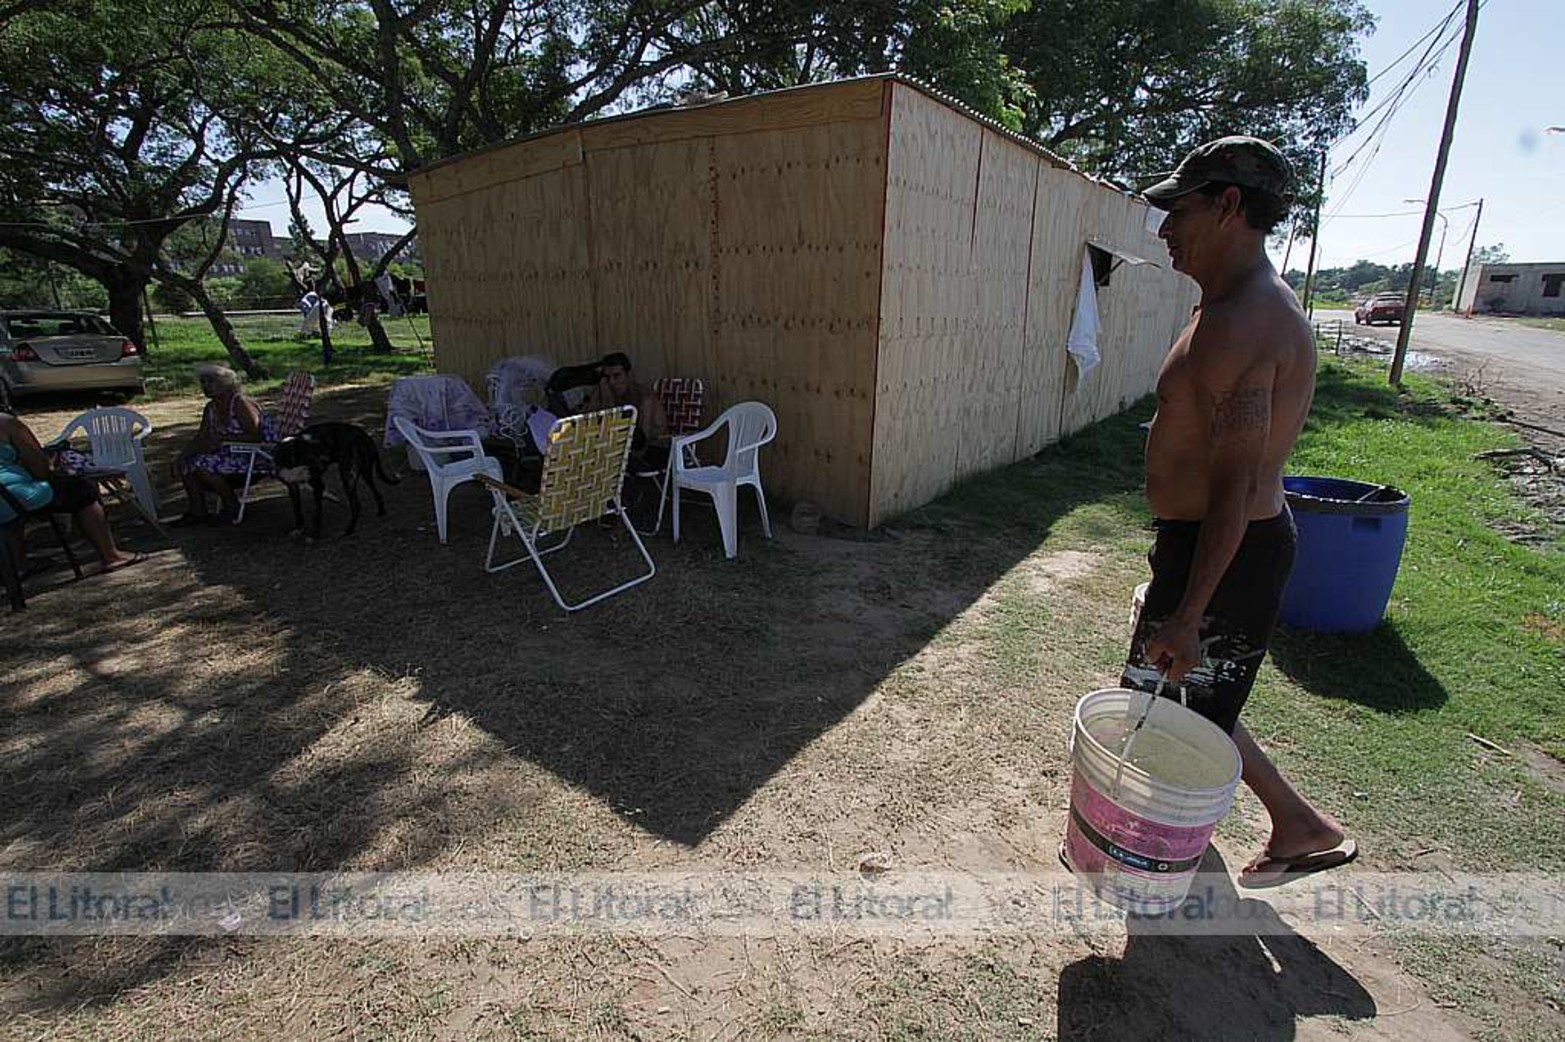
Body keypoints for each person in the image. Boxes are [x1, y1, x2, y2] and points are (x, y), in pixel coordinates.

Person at [1122, 136, 1356, 888]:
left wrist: (1191, 608)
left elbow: (1235, 484)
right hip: (1209, 545)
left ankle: (1151, 863)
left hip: (1225, 548)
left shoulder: (1242, 323)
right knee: (1182, 695)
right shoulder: (1229, 305)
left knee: (1165, 711)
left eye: (1177, 210)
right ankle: (1300, 824)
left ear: (1228, 206)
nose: (1163, 230)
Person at [0, 411, 140, 573]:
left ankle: (19, 564)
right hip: (14, 494)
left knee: (12, 512)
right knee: (80, 491)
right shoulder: (6, 423)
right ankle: (111, 556)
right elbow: (39, 467)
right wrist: (50, 466)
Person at [172, 364, 278, 526]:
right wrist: (182, 457)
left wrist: (224, 438)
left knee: (203, 464)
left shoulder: (239, 403)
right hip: (232, 453)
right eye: (203, 382)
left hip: (257, 455)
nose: (206, 386)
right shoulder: (211, 408)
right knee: (187, 463)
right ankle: (198, 511)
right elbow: (202, 437)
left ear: (226, 383)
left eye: (211, 382)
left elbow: (257, 436)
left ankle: (232, 505)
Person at [589, 352, 670, 473]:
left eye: (617, 376)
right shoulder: (612, 394)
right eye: (607, 377)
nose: (612, 382)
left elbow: (642, 443)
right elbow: (592, 421)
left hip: (653, 450)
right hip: (625, 448)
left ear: (629, 375)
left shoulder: (645, 399)